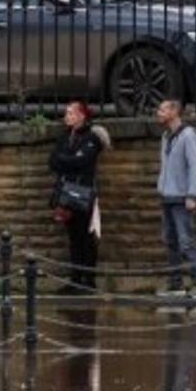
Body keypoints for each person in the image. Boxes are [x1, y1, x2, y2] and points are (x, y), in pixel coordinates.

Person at [48, 101, 110, 294]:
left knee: (87, 238)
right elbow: (52, 161)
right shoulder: (66, 136)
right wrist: (68, 160)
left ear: (82, 116)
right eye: (66, 113)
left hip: (83, 193)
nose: (67, 116)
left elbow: (82, 161)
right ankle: (75, 280)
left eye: (70, 113)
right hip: (66, 193)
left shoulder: (92, 138)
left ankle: (88, 281)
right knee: (73, 238)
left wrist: (65, 160)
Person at [156, 100, 196, 300]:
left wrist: (192, 194)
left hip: (182, 197)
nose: (158, 113)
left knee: (186, 242)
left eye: (162, 109)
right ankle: (176, 283)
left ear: (174, 111)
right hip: (167, 195)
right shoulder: (166, 136)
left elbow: (194, 166)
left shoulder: (188, 135)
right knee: (171, 241)